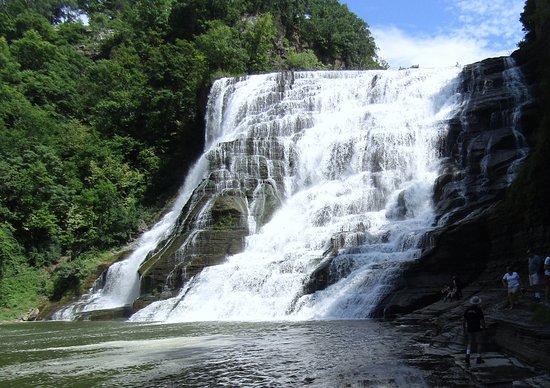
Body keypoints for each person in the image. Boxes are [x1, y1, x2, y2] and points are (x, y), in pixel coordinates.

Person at [463, 296, 486, 366]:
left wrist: (464, 328)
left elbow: (464, 320)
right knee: (479, 343)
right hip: (477, 328)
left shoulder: (467, 309)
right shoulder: (479, 310)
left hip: (469, 328)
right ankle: (478, 358)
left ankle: (467, 357)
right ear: (478, 303)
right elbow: (482, 320)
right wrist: (484, 327)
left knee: (469, 343)